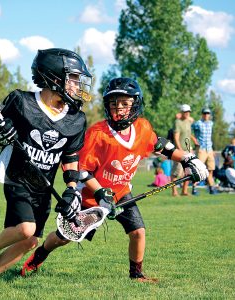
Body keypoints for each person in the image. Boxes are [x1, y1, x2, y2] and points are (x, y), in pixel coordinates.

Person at [21, 77, 208, 282]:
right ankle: (37, 258)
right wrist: (101, 194)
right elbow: (82, 171)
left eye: (125, 104)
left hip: (121, 192)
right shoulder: (97, 134)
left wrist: (189, 159)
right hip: (92, 196)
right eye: (114, 103)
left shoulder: (143, 128)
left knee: (138, 231)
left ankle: (136, 275)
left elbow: (163, 146)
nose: (119, 108)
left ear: (135, 105)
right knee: (64, 237)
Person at [0, 48, 93, 294]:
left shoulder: (76, 119)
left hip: (43, 184)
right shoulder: (21, 101)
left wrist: (71, 190)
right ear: (54, 77)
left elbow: (70, 157)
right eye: (74, 79)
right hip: (16, 176)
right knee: (26, 228)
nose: (78, 86)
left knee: (30, 240)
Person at [171, 104, 197, 196]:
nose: (187, 113)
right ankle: (174, 192)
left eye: (188, 111)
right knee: (176, 172)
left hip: (189, 149)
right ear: (181, 112)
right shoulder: (177, 122)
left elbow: (188, 133)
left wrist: (194, 141)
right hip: (179, 150)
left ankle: (184, 191)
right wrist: (179, 149)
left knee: (188, 171)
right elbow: (176, 137)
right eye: (185, 112)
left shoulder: (188, 121)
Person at [191, 108, 218, 194]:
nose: (206, 115)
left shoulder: (211, 123)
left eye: (208, 113)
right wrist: (194, 140)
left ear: (209, 115)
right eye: (205, 113)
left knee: (210, 170)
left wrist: (213, 149)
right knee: (198, 169)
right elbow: (189, 131)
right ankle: (194, 188)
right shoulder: (198, 123)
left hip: (209, 149)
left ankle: (211, 188)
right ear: (202, 114)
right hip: (201, 149)